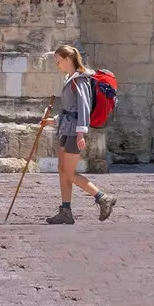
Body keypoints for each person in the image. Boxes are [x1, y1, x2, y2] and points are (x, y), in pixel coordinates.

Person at [41, 44, 118, 225]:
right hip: (67, 129)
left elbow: (83, 108)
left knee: (69, 172)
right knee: (62, 170)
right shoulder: (70, 78)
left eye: (58, 62)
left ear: (68, 59)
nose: (57, 65)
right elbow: (70, 110)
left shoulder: (80, 80)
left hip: (75, 131)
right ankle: (66, 211)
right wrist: (53, 120)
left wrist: (81, 134)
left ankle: (102, 197)